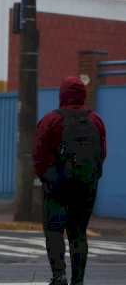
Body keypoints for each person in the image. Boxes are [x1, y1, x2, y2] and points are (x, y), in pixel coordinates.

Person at [32, 76, 107, 285]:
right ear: (82, 95)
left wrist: (45, 176)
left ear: (62, 94)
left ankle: (59, 275)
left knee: (54, 230)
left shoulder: (51, 119)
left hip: (56, 184)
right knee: (78, 232)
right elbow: (102, 153)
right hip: (86, 184)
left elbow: (38, 154)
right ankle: (78, 280)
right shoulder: (96, 120)